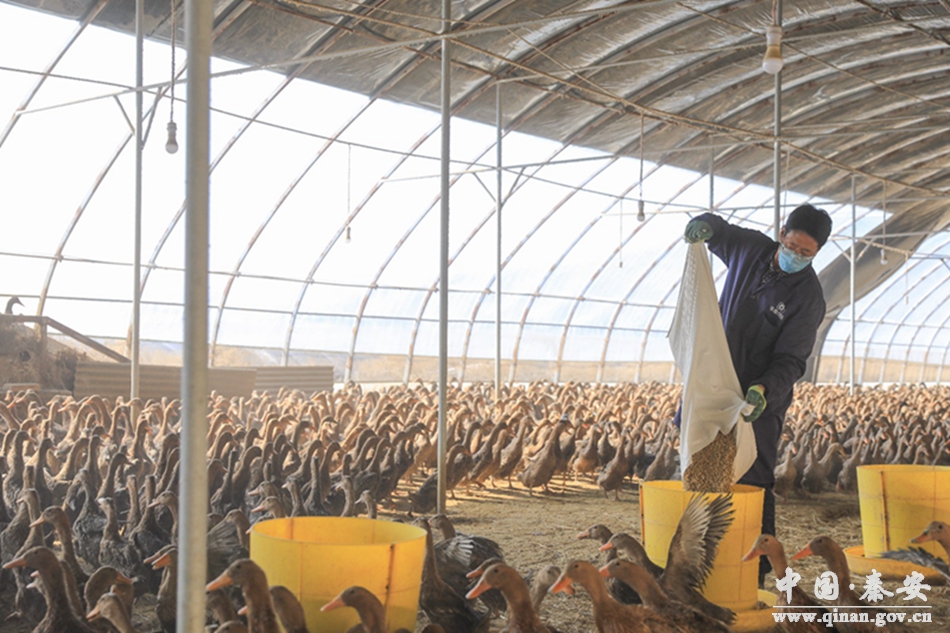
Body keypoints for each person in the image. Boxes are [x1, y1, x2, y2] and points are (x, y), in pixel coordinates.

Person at [675, 203, 832, 586]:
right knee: (696, 461)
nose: (796, 256)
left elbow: (791, 360)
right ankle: (691, 563)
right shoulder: (751, 249)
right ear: (782, 235)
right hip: (713, 382)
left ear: (816, 254)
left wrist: (763, 389)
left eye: (806, 253)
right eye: (792, 246)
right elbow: (720, 230)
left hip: (756, 399)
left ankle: (756, 572)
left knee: (754, 478)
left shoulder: (808, 298)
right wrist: (704, 225)